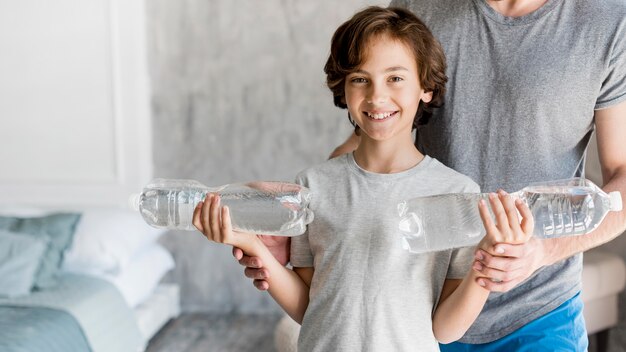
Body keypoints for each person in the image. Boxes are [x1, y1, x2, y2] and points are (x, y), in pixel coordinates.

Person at [236, 0, 626, 350]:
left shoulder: (608, 22)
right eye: (360, 80)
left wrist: (541, 252)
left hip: (539, 305)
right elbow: (372, 135)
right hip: (423, 298)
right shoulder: (418, 7)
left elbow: (622, 177)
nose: (376, 91)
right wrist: (310, 216)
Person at [194, 6, 535, 351]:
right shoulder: (313, 185)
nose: (376, 96)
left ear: (426, 88)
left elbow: (445, 330)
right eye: (360, 79)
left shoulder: (457, 193)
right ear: (343, 88)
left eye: (395, 78)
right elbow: (310, 307)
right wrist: (253, 246)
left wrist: (486, 264)